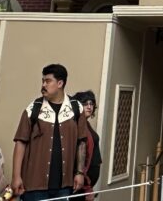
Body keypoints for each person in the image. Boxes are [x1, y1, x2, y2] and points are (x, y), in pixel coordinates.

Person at [11, 64, 89, 201]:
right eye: (42, 81)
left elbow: (81, 143)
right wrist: (16, 176)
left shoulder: (76, 108)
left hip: (64, 186)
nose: (43, 85)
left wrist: (79, 173)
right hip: (34, 186)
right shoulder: (33, 109)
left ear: (60, 83)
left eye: (48, 81)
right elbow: (20, 143)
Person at [70, 92, 101, 201]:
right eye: (85, 103)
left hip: (86, 186)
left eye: (91, 104)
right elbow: (79, 158)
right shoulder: (76, 126)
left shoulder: (86, 124)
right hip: (80, 186)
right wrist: (87, 187)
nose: (89, 106)